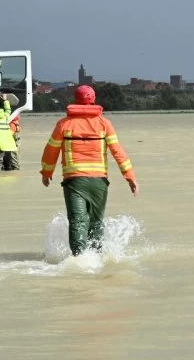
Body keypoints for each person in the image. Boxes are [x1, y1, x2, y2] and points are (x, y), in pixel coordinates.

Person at [40, 85, 138, 255]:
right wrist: (130, 177)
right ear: (93, 100)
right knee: (96, 222)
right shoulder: (104, 124)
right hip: (99, 182)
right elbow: (118, 152)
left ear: (76, 100)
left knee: (78, 221)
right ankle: (96, 257)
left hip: (74, 181)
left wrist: (46, 173)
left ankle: (79, 259)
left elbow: (51, 151)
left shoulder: (64, 124)